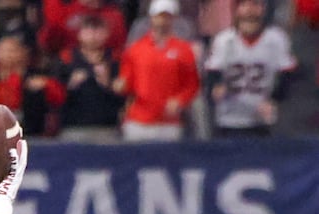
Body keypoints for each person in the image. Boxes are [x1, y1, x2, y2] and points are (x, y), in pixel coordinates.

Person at [205, 0, 294, 138]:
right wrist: (216, 87)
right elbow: (212, 74)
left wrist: (273, 100)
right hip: (229, 118)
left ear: (263, 9)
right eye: (245, 5)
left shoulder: (276, 39)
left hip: (262, 120)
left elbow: (287, 76)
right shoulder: (224, 40)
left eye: (255, 4)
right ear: (237, 10)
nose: (250, 10)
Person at [113, 0, 198, 141]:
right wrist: (121, 85)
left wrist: (180, 100)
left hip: (169, 123)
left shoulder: (184, 50)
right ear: (151, 17)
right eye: (159, 16)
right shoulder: (135, 50)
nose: (162, 20)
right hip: (138, 122)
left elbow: (192, 84)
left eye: (167, 16)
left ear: (174, 19)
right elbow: (127, 82)